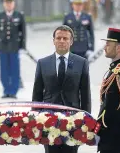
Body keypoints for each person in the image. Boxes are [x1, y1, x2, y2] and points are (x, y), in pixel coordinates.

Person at [32, 25, 91, 153]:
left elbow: (85, 94)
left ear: (71, 41)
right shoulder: (43, 63)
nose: (62, 41)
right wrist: (34, 119)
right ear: (53, 41)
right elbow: (37, 93)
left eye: (65, 38)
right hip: (48, 119)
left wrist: (86, 121)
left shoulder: (81, 63)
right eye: (58, 38)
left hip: (73, 120)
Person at [0, 0, 26, 99]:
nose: (8, 5)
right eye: (6, 3)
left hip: (14, 47)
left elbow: (23, 32)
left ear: (13, 4)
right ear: (4, 4)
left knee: (14, 70)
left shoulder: (19, 16)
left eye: (10, 3)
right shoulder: (0, 16)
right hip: (2, 47)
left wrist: (23, 47)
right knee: (4, 70)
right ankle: (6, 90)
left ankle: (13, 91)